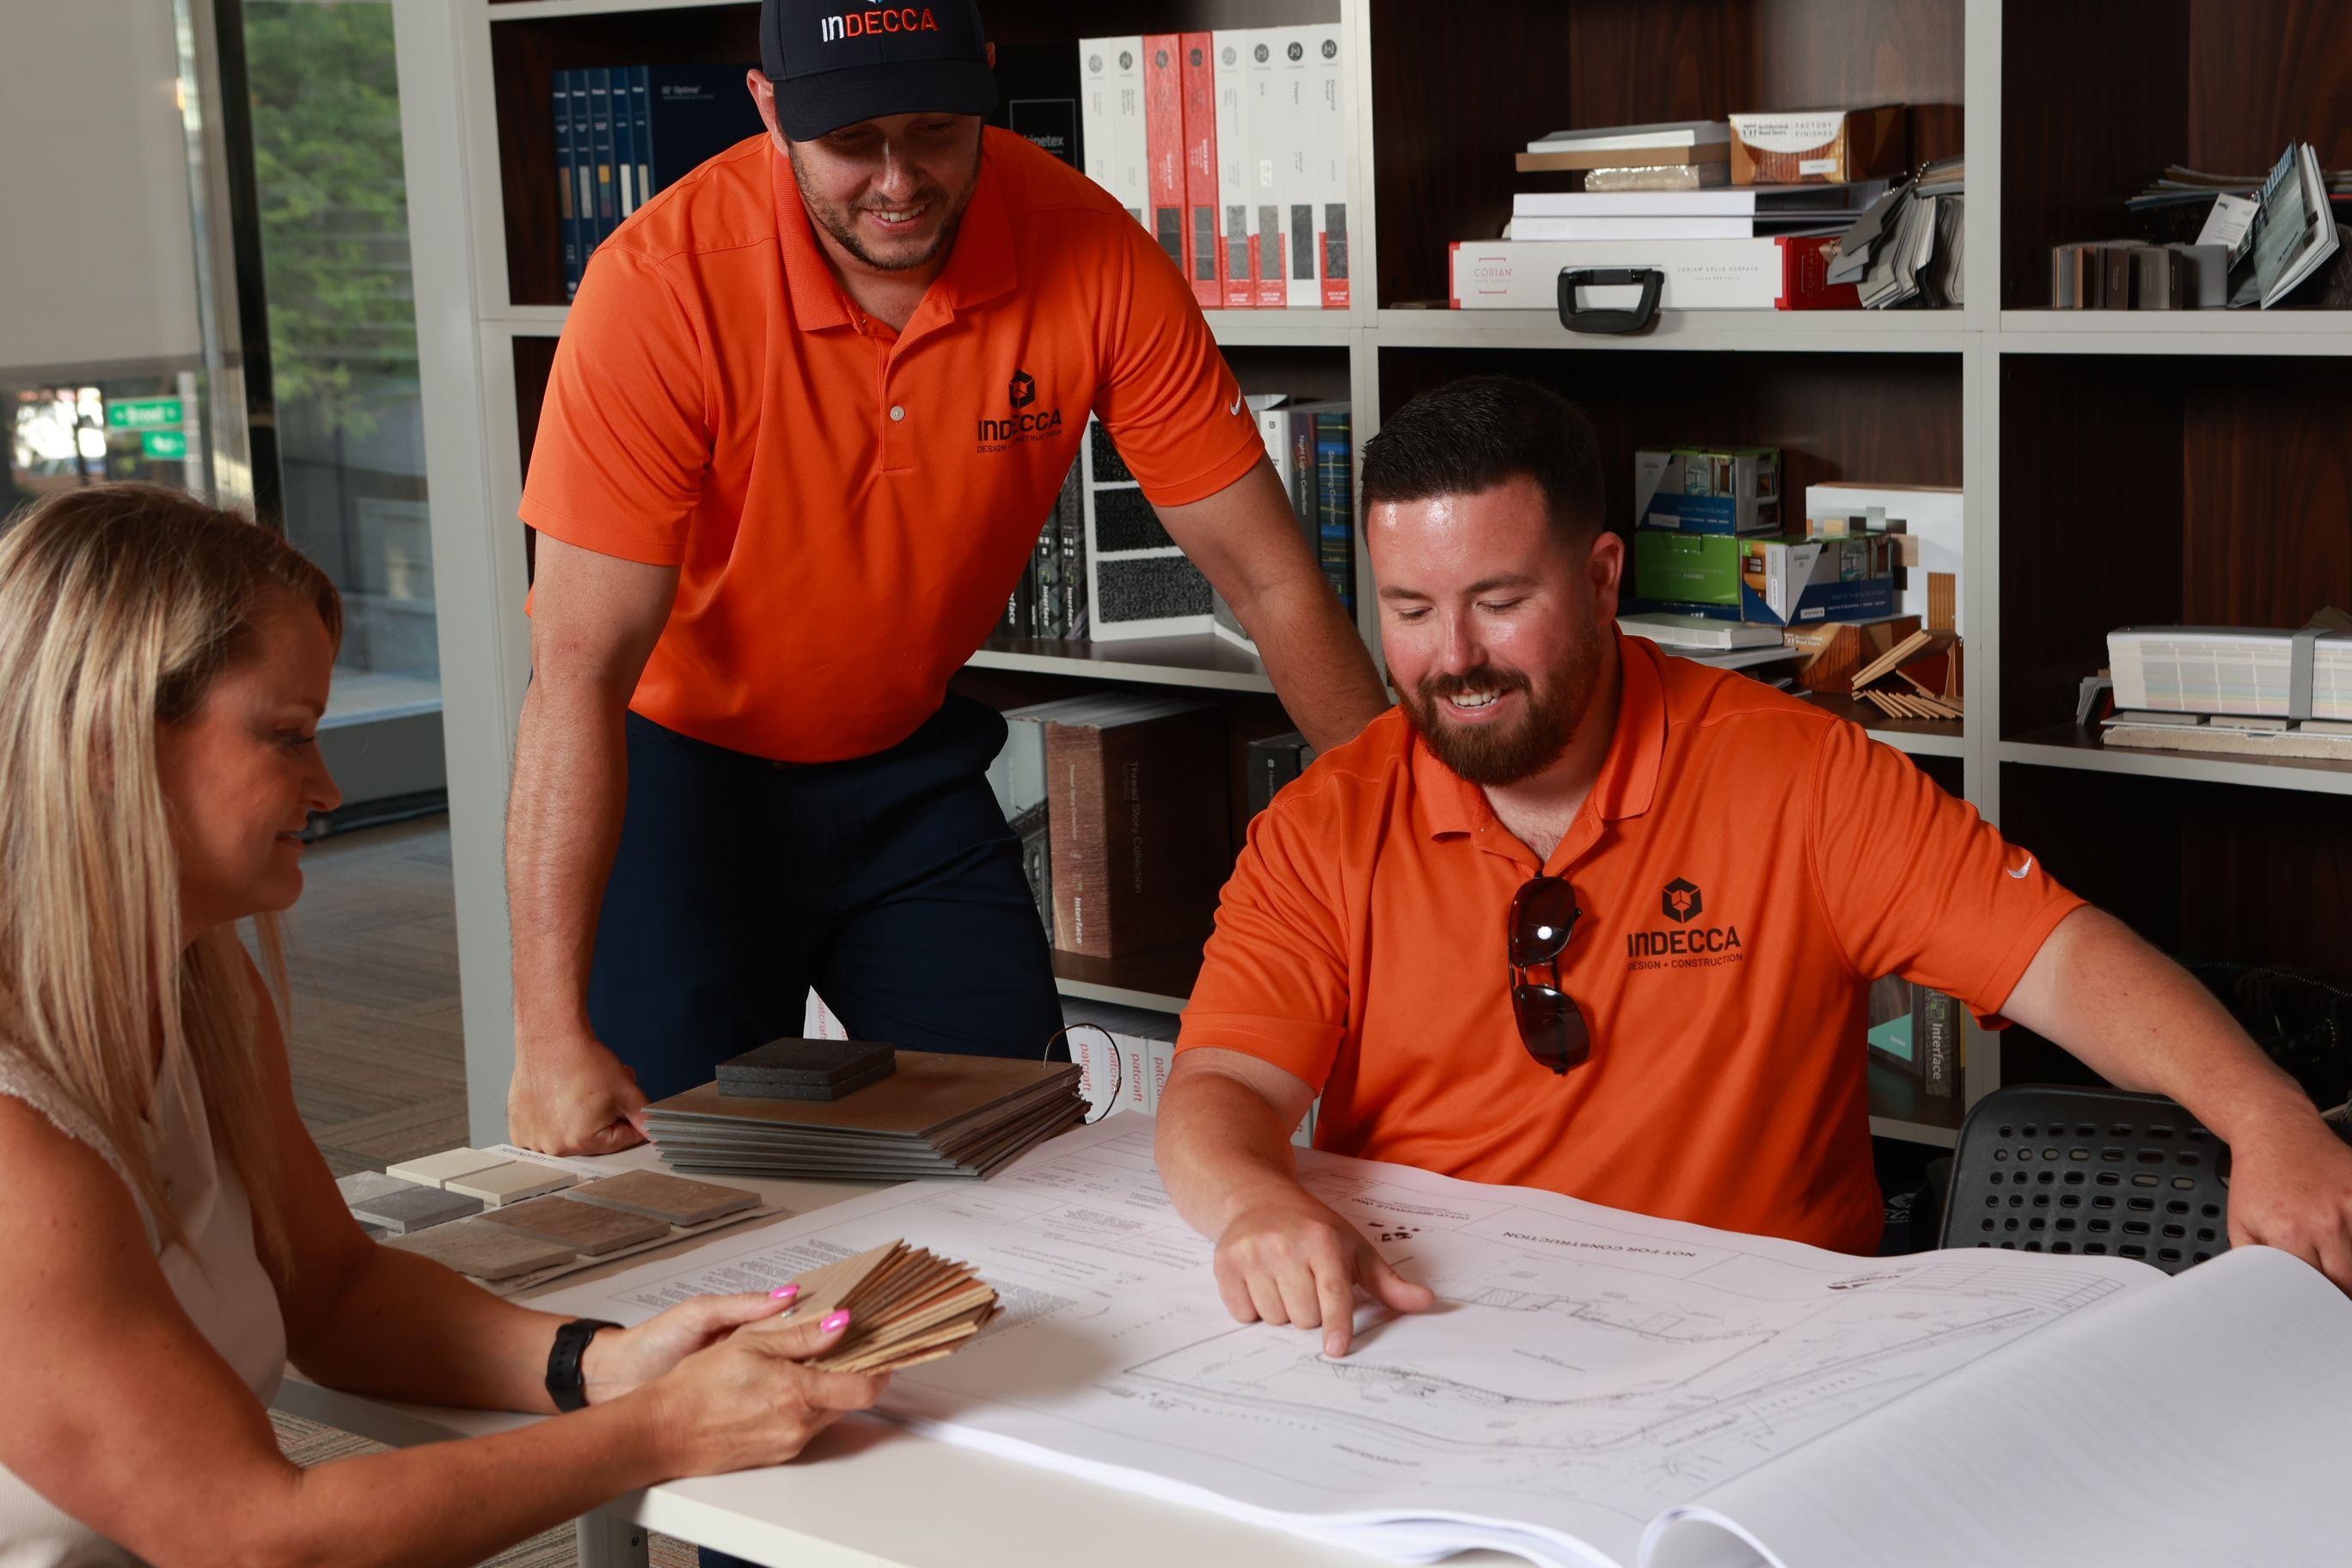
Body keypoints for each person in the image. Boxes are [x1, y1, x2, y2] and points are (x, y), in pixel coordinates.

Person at [1154, 377, 2352, 1356]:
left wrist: (2267, 1117)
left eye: (1500, 600)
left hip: (1771, 1360)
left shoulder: (1801, 773)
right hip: (1438, 1345)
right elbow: (1219, 1095)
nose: (1453, 657)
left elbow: (2060, 958)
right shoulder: (1325, 820)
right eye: (1410, 610)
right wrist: (1256, 1206)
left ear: (1606, 576)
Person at [507, 0, 1388, 1157]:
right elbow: (575, 676)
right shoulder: (661, 286)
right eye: (852, 142)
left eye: (933, 130)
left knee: (1025, 1146)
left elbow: (1273, 584)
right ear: (770, 112)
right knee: (674, 1180)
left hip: (906, 774)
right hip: (683, 781)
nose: (897, 180)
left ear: (985, 83)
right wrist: (544, 1032)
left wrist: (1412, 853)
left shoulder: (1089, 248)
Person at [0, 484, 884, 1568]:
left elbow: (332, 1290)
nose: (327, 787)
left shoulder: (198, 982)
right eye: (285, 736)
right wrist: (661, 1429)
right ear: (104, 741)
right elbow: (256, 1540)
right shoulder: (14, 1144)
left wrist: (611, 1364)